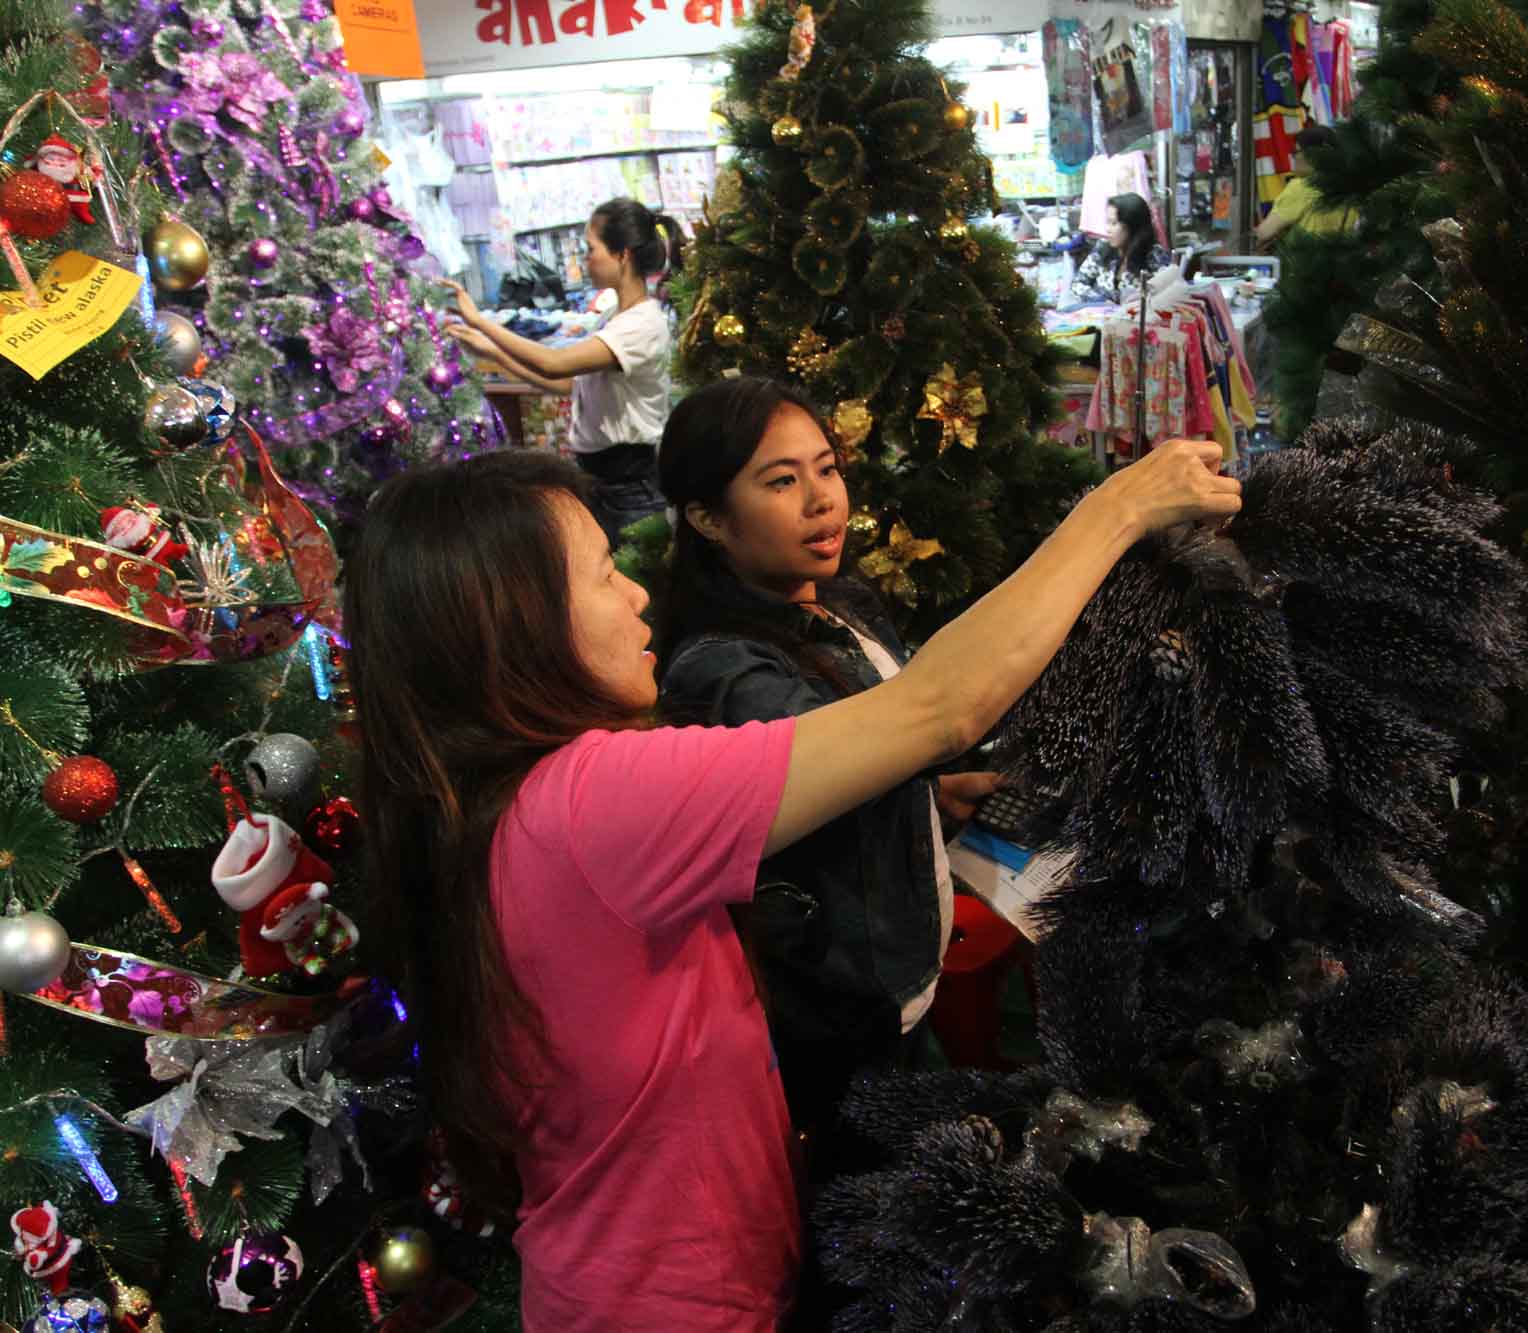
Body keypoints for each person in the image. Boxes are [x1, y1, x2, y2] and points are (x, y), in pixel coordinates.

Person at [345, 440, 1240, 1332]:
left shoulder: (488, 808)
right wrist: (1118, 507)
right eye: (600, 574)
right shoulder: (590, 801)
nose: (636, 593)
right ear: (514, 625)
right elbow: (938, 709)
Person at [654, 377, 999, 1141]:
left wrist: (931, 798)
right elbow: (844, 763)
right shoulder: (723, 670)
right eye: (781, 481)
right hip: (842, 1030)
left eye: (827, 468)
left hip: (909, 986)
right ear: (708, 517)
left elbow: (874, 767)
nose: (822, 501)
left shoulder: (843, 604)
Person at [441, 197, 674, 541]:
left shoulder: (642, 325)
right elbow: (568, 383)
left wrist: (480, 322)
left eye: (591, 249)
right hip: (608, 480)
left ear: (622, 255)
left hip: (631, 483)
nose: (585, 259)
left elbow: (553, 364)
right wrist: (493, 352)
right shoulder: (616, 319)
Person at [1252, 125, 1356, 248]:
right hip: (1339, 264)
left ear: (1312, 155)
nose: (1292, 156)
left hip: (1301, 264)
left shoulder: (1302, 187)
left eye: (1295, 152)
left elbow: (1263, 233)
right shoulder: (1349, 189)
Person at [1071, 192, 1173, 304]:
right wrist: (1102, 302)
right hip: (1101, 317)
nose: (1107, 229)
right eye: (1107, 222)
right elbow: (1078, 283)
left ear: (1132, 225)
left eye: (1113, 223)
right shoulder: (1102, 248)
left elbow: (1169, 293)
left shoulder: (1155, 255)